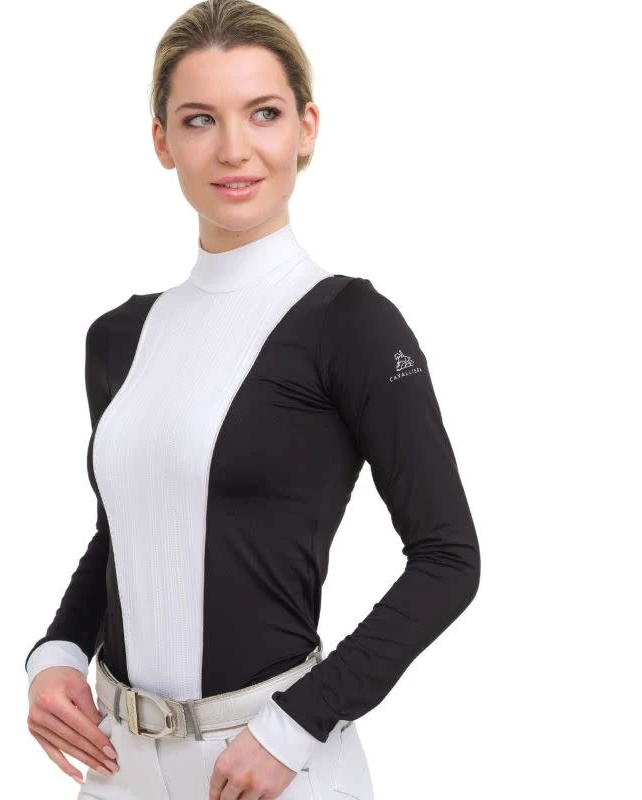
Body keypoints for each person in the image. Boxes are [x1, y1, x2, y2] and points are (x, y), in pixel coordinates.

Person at [24, 1, 481, 798]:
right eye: (200, 119)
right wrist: (56, 654)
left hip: (269, 763)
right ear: (162, 141)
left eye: (263, 113)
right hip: (116, 764)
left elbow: (449, 558)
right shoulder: (119, 337)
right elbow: (123, 533)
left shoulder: (350, 323)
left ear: (306, 127)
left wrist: (298, 724)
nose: (234, 149)